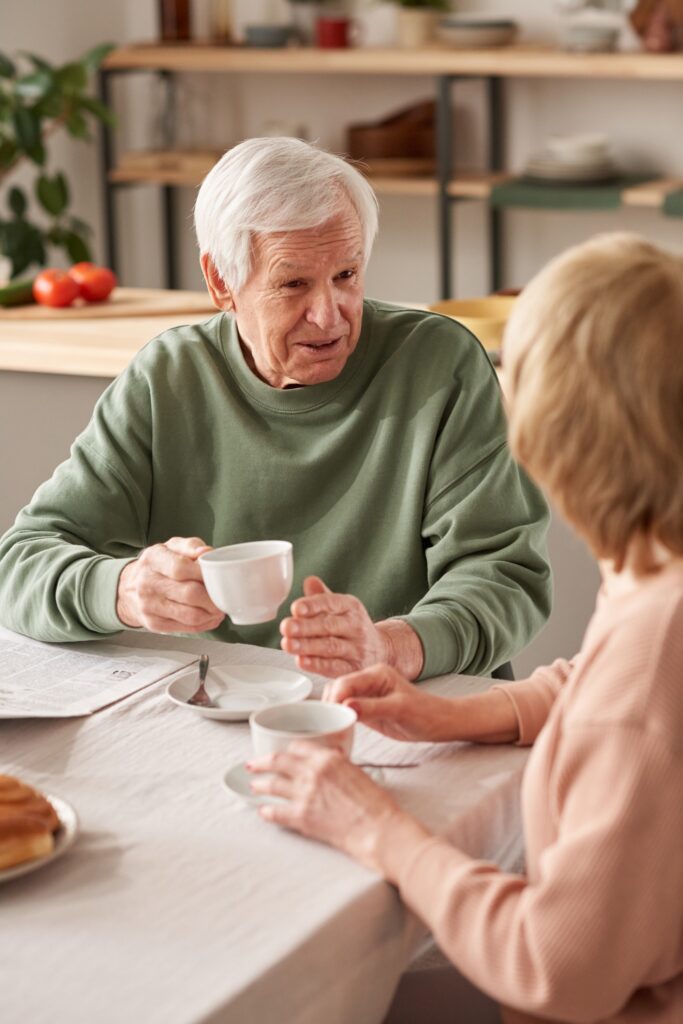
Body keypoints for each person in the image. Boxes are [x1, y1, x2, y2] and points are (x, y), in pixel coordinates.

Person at [248, 233, 683, 1023]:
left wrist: (375, 827)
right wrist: (452, 714)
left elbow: (553, 969)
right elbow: (605, 686)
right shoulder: (659, 566)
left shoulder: (652, 644)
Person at [0, 137, 551, 681]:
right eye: (294, 284)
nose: (330, 316)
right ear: (222, 281)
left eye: (347, 276)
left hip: (412, 708)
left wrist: (392, 648)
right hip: (222, 707)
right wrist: (123, 590)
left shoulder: (439, 364)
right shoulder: (167, 379)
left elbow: (505, 578)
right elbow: (18, 565)